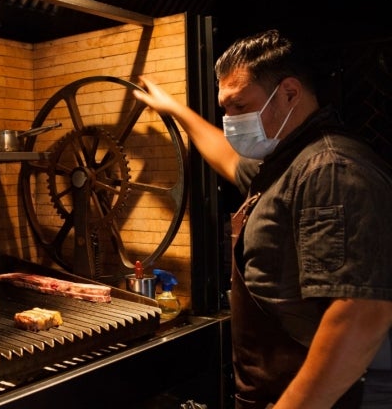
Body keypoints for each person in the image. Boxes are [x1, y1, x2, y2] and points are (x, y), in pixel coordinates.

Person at [133, 29, 392, 409]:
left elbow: (361, 314)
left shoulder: (330, 169)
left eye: (239, 106)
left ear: (289, 93)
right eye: (225, 108)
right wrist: (173, 109)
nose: (230, 120)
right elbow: (230, 158)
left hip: (336, 397)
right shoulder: (288, 161)